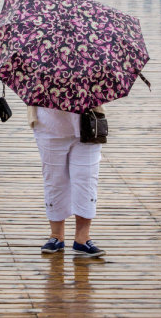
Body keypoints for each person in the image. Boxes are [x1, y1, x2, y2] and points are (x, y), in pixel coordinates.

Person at [29, 106, 106, 258]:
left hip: (88, 122)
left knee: (87, 180)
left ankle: (82, 238)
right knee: (54, 180)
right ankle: (56, 235)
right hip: (48, 125)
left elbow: (104, 88)